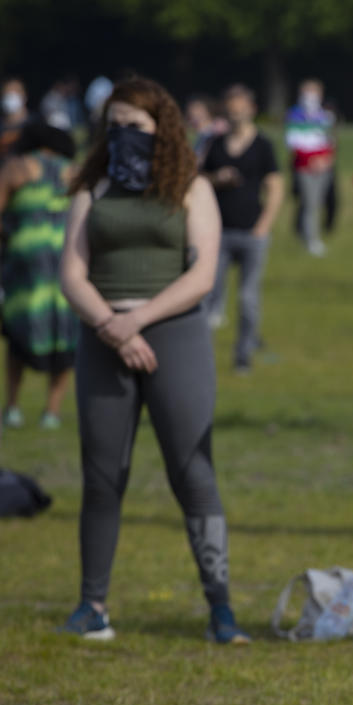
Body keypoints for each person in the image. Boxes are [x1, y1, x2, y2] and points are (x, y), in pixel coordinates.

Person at [58, 76, 249, 643]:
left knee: (192, 471)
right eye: (113, 125)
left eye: (135, 126)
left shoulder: (189, 185)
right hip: (103, 338)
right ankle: (92, 605)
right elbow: (71, 273)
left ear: (160, 128)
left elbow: (202, 274)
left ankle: (221, 609)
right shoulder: (91, 188)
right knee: (101, 476)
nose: (123, 135)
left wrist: (137, 322)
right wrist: (111, 328)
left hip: (173, 337)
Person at [0, 122, 79, 430]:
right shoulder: (73, 171)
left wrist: (9, 236)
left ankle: (13, 407)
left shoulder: (17, 168)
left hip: (25, 264)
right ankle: (52, 412)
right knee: (65, 338)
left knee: (18, 335)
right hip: (66, 263)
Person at [202, 84, 284, 372]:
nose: (235, 116)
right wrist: (217, 178)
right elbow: (198, 180)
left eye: (240, 110)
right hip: (219, 231)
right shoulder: (215, 143)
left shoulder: (263, 145)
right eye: (230, 111)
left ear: (251, 110)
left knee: (248, 298)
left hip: (251, 231)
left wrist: (264, 226)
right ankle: (201, 355)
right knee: (209, 296)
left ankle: (244, 353)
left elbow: (275, 186)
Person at [285, 79, 337, 257]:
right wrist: (311, 159)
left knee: (318, 203)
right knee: (309, 204)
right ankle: (311, 240)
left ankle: (309, 234)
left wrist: (325, 160)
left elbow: (330, 142)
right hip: (304, 167)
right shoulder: (294, 115)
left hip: (323, 167)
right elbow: (293, 143)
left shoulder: (325, 117)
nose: (310, 97)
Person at [184, 95, 225, 167]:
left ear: (207, 109)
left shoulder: (220, 128)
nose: (194, 112)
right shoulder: (188, 131)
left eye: (198, 109)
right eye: (192, 109)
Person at [1, 78, 31, 158]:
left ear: (24, 96)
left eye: (15, 92)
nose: (10, 96)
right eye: (7, 93)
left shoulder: (35, 125)